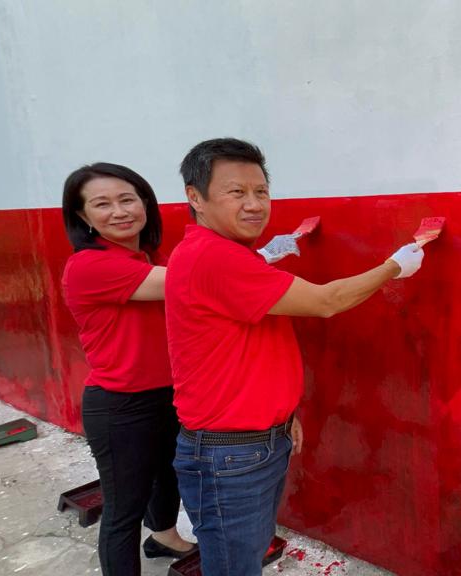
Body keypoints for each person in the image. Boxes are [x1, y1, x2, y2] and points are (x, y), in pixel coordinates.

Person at [165, 138, 425, 576]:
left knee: (243, 558)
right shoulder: (213, 257)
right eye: (236, 192)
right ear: (196, 197)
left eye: (261, 192)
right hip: (231, 455)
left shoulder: (227, 254)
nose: (254, 204)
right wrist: (395, 266)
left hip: (254, 443)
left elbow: (246, 348)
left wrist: (282, 417)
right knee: (234, 567)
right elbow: (327, 301)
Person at [60, 163, 196, 575]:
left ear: (145, 204)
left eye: (127, 199)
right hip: (121, 406)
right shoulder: (89, 266)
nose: (119, 211)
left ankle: (164, 536)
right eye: (102, 204)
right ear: (83, 217)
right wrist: (257, 259)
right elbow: (193, 283)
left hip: (168, 393)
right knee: (123, 511)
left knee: (168, 476)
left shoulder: (149, 258)